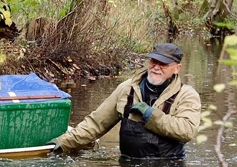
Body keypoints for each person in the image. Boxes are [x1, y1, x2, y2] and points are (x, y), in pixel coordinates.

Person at [51, 42, 201, 159]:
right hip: (128, 165)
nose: (156, 67)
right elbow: (96, 123)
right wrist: (63, 142)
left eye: (163, 64)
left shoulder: (186, 95)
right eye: (153, 62)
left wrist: (151, 115)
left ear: (177, 68)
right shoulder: (127, 88)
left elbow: (187, 131)